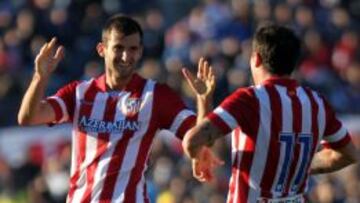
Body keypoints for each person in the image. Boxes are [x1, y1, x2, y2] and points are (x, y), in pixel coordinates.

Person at [17, 14, 216, 203]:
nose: (125, 56)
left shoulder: (155, 96)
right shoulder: (79, 93)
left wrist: (204, 101)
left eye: (132, 49)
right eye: (118, 47)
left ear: (139, 51)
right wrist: (39, 78)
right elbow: (29, 117)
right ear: (102, 49)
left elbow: (201, 136)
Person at [182, 25, 359, 203]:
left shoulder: (249, 99)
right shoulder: (317, 103)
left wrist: (199, 151)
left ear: (256, 59)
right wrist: (298, 166)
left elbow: (194, 140)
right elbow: (349, 154)